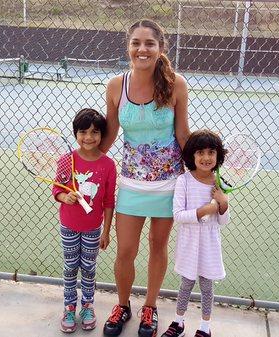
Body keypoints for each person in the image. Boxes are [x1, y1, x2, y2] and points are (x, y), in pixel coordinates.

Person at [99, 19, 190, 337]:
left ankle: (150, 306)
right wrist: (84, 157)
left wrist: (205, 174)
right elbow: (109, 134)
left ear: (160, 48)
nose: (142, 49)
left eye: (149, 43)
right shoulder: (115, 86)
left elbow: (182, 134)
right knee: (125, 251)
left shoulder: (176, 83)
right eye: (136, 43)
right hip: (131, 185)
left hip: (168, 184)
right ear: (128, 47)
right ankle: (122, 305)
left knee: (157, 245)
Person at [53, 108, 117, 333]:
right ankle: (69, 307)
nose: (89, 137)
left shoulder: (108, 165)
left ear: (101, 135)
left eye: (95, 132)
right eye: (83, 132)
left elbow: (109, 201)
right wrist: (66, 197)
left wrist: (106, 231)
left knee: (89, 268)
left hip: (93, 229)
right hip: (69, 226)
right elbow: (56, 191)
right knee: (71, 267)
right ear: (75, 134)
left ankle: (87, 306)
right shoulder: (65, 161)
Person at [160, 130, 229, 337]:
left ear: (218, 157)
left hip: (209, 244)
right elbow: (179, 215)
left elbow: (223, 221)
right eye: (200, 152)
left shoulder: (219, 184)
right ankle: (178, 323)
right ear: (192, 156)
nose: (206, 158)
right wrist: (204, 210)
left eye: (211, 152)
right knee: (186, 284)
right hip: (189, 244)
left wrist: (223, 203)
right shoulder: (184, 181)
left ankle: (205, 328)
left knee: (207, 287)